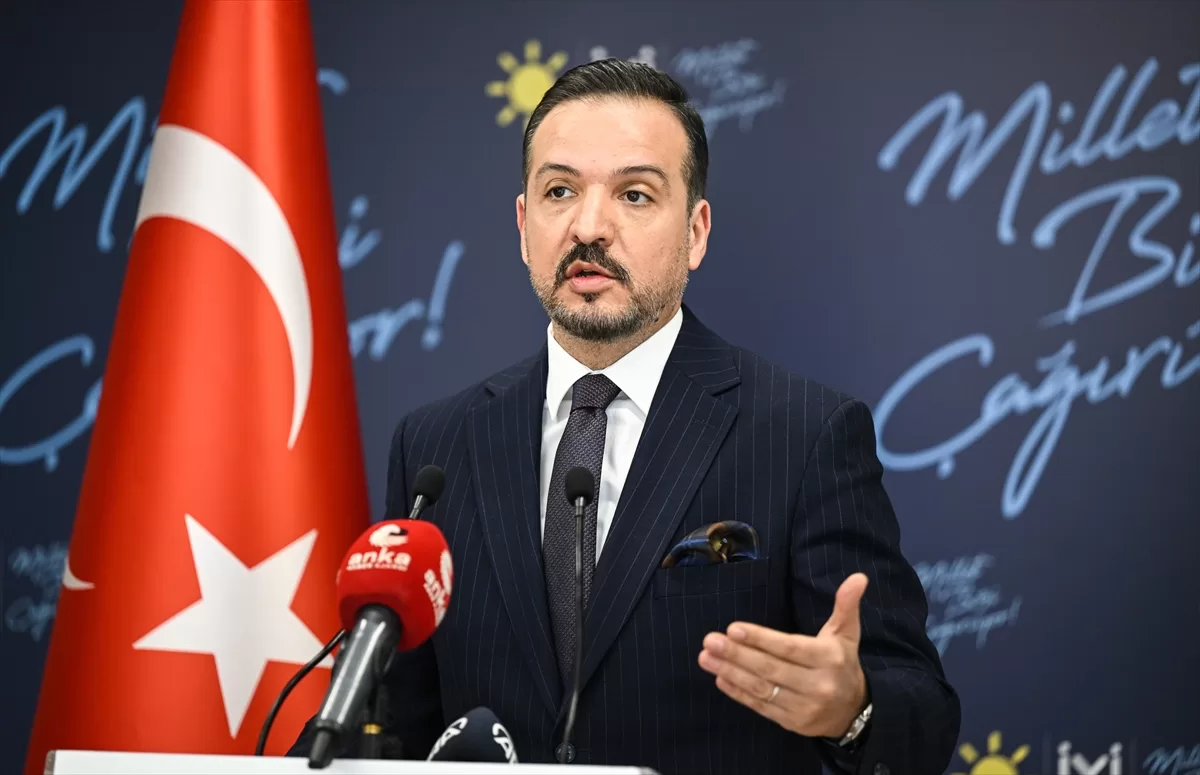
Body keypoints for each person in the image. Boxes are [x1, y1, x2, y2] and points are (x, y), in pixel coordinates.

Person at [290, 59, 960, 774]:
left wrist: (853, 709)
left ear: (696, 232)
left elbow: (921, 713)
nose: (589, 226)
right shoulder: (437, 446)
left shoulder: (803, 434)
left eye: (635, 194)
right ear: (524, 227)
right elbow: (390, 720)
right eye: (559, 191)